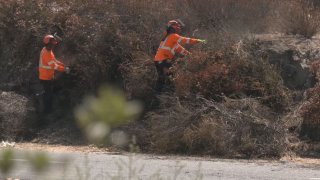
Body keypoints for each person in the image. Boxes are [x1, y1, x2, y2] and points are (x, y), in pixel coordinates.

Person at [154, 19, 206, 92]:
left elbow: (182, 50)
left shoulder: (170, 40)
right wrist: (198, 41)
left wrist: (192, 56)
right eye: (176, 25)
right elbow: (185, 40)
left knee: (162, 79)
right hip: (163, 61)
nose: (178, 27)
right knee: (169, 78)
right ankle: (166, 96)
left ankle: (158, 96)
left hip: (158, 61)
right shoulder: (173, 36)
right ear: (172, 27)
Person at [38, 34, 70, 113]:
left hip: (48, 76)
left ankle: (41, 97)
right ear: (48, 44)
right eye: (52, 44)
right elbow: (53, 66)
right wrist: (64, 69)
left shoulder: (48, 50)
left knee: (50, 90)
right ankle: (47, 111)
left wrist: (62, 64)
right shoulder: (46, 53)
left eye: (53, 43)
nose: (53, 45)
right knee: (48, 95)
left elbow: (54, 60)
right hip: (45, 77)